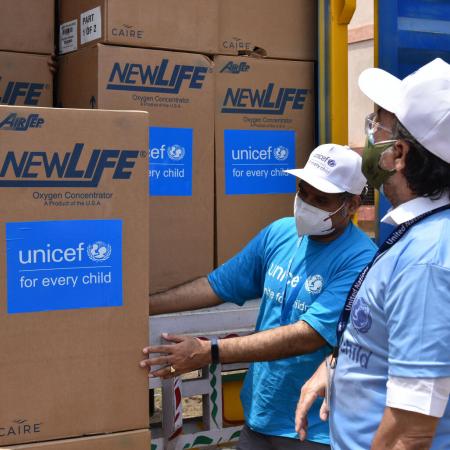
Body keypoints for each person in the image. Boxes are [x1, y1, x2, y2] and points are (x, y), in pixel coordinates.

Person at [140, 143, 377, 449]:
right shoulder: (280, 233)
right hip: (258, 417)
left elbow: (307, 336)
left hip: (314, 430)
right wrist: (143, 305)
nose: (306, 203)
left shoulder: (360, 259)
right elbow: (216, 285)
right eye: (303, 191)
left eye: (321, 199)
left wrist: (208, 351)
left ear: (353, 205)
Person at [295, 58, 450, 450]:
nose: (368, 133)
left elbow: (411, 431)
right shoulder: (417, 235)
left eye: (375, 125)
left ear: (398, 153)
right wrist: (336, 367)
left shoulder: (426, 260)